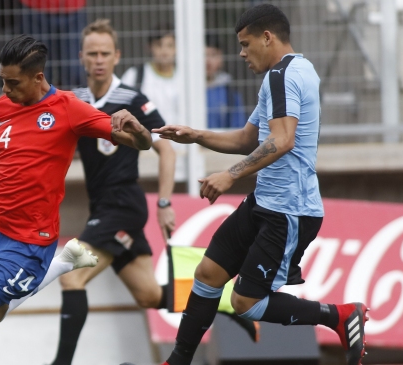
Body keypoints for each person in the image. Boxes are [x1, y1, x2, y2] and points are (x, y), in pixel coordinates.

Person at [151, 5, 368, 365]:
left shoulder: (282, 76)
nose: (241, 53)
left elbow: (283, 140)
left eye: (245, 43)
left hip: (288, 211)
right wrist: (196, 135)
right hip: (264, 201)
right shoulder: (293, 71)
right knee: (207, 274)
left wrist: (230, 175)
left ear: (267, 38)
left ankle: (339, 316)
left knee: (245, 303)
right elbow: (248, 138)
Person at [0, 34, 153, 365]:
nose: (6, 89)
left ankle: (52, 262)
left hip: (30, 242)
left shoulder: (69, 109)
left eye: (13, 83)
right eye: (2, 81)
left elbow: (140, 144)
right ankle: (63, 262)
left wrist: (139, 129)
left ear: (38, 77)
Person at [46, 19, 176, 365]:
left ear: (117, 56)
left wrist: (164, 202)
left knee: (71, 277)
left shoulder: (133, 99)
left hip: (123, 205)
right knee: (149, 295)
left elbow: (168, 149)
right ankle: (226, 304)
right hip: (103, 209)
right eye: (92, 54)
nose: (99, 59)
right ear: (81, 57)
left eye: (105, 53)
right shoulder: (75, 101)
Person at [120, 24, 187, 182]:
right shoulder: (135, 75)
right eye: (159, 45)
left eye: (170, 45)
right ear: (150, 47)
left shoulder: (185, 78)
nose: (164, 51)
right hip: (143, 153)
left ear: (177, 48)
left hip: (182, 153)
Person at [20, 0, 87, 89]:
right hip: (36, 8)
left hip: (73, 7)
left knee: (74, 72)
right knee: (38, 70)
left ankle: (69, 100)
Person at [205, 34, 246, 129]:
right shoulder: (183, 89)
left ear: (221, 58)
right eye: (204, 55)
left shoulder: (229, 91)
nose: (208, 61)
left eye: (213, 55)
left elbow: (238, 125)